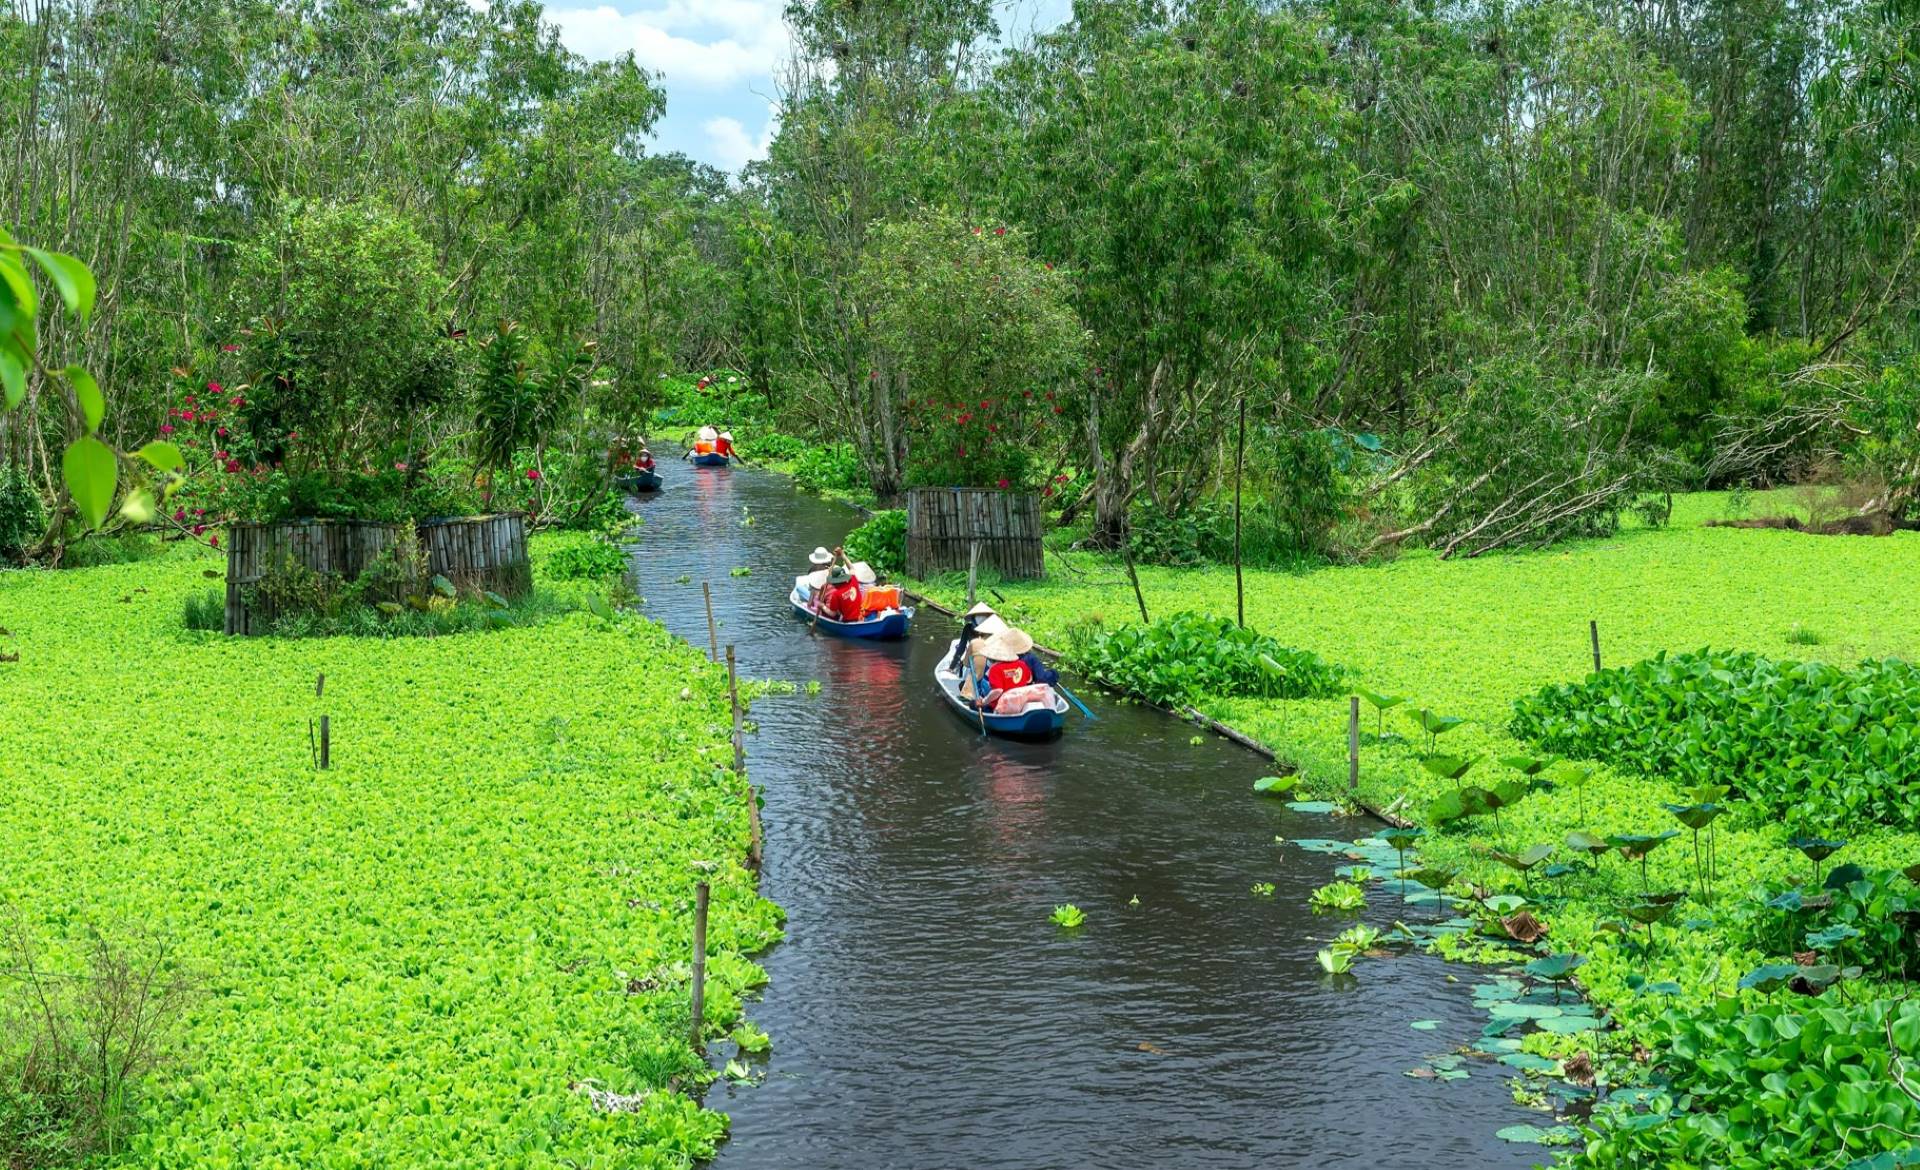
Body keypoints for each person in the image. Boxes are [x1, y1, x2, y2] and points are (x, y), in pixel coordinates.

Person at [971, 627, 1038, 708]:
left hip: (1001, 706)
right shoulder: (1022, 664)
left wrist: (984, 701)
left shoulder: (995, 669)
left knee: (973, 704)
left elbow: (998, 691)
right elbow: (1029, 679)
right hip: (1020, 703)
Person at [948, 602, 1004, 670]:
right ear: (974, 617)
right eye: (979, 615)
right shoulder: (968, 628)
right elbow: (961, 647)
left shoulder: (993, 628)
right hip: (974, 659)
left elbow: (999, 649)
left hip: (991, 661)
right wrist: (952, 666)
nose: (981, 618)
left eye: (983, 615)